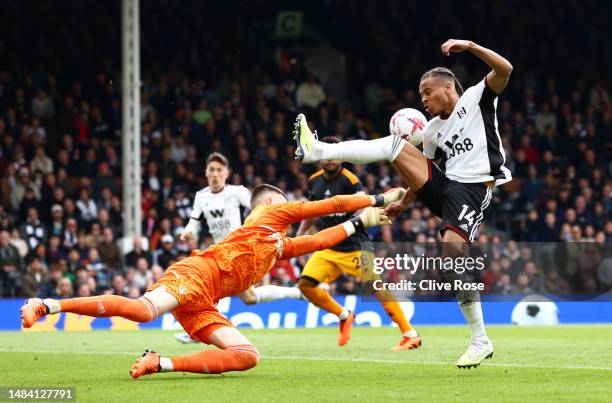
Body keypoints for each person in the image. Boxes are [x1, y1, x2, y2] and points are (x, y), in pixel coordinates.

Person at [21, 184, 404, 378]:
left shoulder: (277, 244)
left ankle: (160, 363)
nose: (291, 209)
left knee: (247, 357)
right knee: (142, 311)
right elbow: (330, 206)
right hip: (195, 274)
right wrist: (374, 198)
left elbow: (320, 240)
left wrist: (362, 222)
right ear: (271, 203)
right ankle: (47, 305)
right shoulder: (267, 217)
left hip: (205, 301)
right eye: (284, 203)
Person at [292, 39, 513, 368]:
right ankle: (318, 151)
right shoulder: (434, 131)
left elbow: (505, 69)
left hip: (473, 190)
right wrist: (404, 204)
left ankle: (480, 339)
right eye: (421, 94)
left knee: (451, 257)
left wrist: (468, 46)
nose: (422, 99)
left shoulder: (476, 98)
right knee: (396, 145)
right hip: (447, 186)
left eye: (427, 91)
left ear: (448, 86)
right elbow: (422, 172)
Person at [296, 136, 420, 350]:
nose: (330, 160)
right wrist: (299, 239)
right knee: (306, 286)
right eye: (327, 156)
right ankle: (344, 315)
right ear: (320, 158)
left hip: (355, 246)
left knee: (376, 287)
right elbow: (310, 214)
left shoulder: (350, 180)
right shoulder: (314, 181)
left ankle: (410, 334)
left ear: (341, 158)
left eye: (334, 155)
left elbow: (363, 207)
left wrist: (354, 221)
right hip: (329, 248)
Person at [175, 152, 303, 344]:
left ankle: (201, 329)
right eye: (212, 170)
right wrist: (188, 232)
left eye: (219, 170)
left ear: (226, 173)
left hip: (240, 250)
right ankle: (298, 292)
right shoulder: (201, 197)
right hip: (220, 251)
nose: (215, 174)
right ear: (206, 172)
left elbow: (259, 207)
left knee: (209, 289)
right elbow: (194, 221)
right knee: (249, 298)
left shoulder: (237, 192)